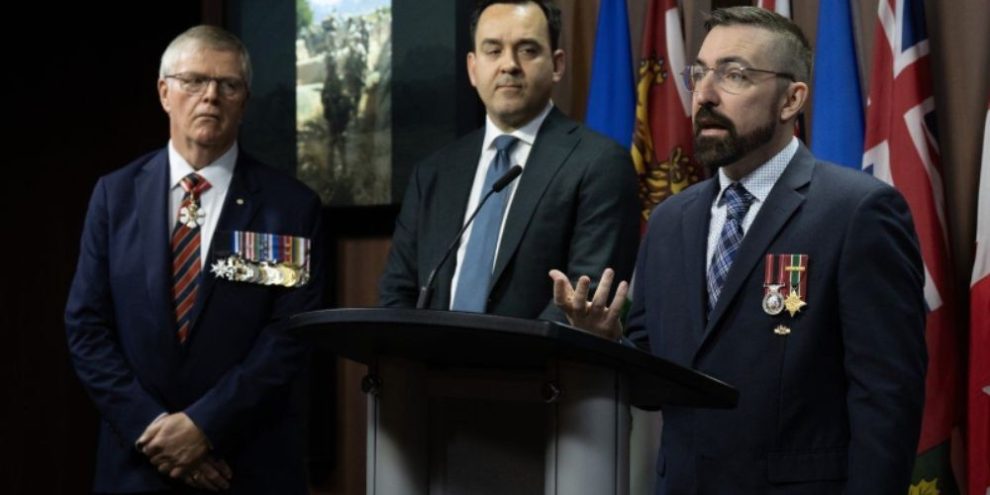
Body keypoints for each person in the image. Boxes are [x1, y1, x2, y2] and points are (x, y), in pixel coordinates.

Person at [550, 7, 927, 494]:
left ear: (792, 99)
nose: (703, 94)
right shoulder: (668, 222)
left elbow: (887, 401)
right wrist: (606, 344)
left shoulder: (858, 212)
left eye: (734, 75)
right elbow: (652, 384)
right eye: (699, 73)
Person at [65, 25, 325, 494]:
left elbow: (290, 337)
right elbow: (86, 328)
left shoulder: (290, 207)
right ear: (165, 92)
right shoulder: (114, 195)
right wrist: (156, 431)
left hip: (245, 465)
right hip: (137, 463)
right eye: (194, 81)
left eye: (228, 85)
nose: (210, 97)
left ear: (244, 101)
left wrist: (204, 427)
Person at [379, 0, 639, 320]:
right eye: (493, 50)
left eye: (527, 50)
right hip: (432, 367)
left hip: (541, 368)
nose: (509, 65)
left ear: (557, 65)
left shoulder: (600, 163)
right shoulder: (434, 172)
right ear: (473, 68)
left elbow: (583, 300)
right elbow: (397, 293)